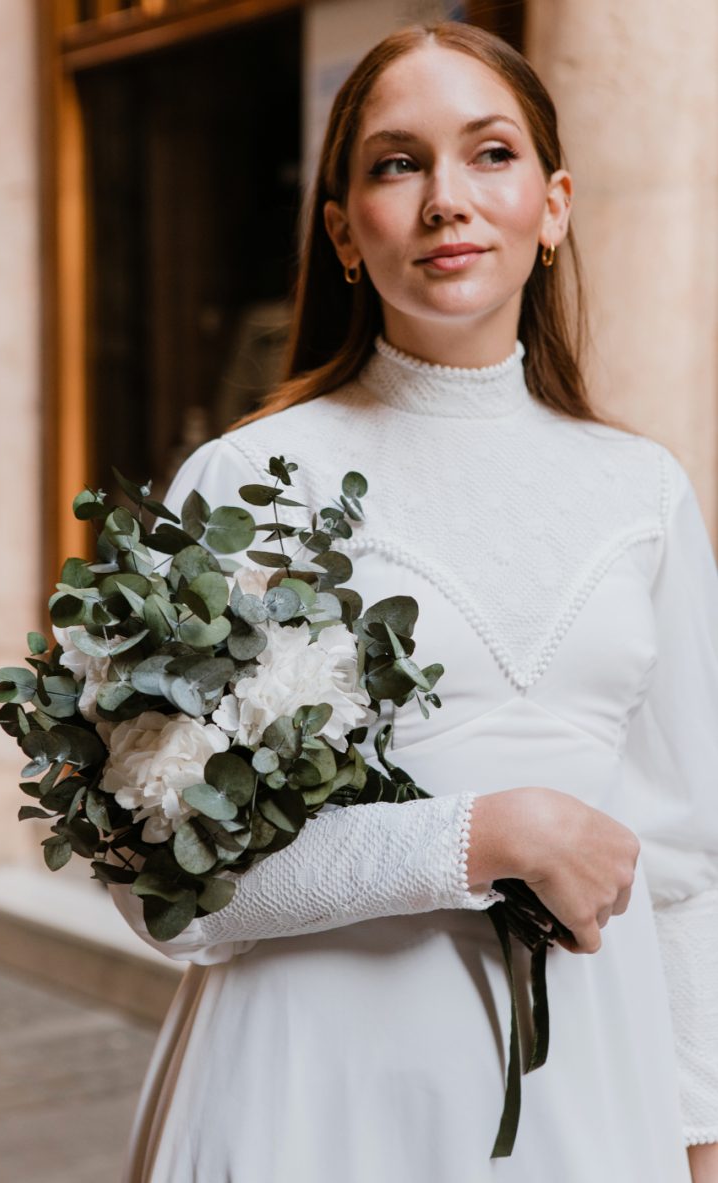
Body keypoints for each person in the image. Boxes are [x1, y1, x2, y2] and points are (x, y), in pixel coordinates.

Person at [107, 21, 718, 1182]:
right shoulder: (242, 485)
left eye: (490, 154)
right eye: (397, 162)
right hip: (311, 1095)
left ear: (553, 205)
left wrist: (697, 1140)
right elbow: (163, 887)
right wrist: (480, 836)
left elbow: (690, 868)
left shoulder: (642, 490)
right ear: (342, 228)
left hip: (596, 1090)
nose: (447, 197)